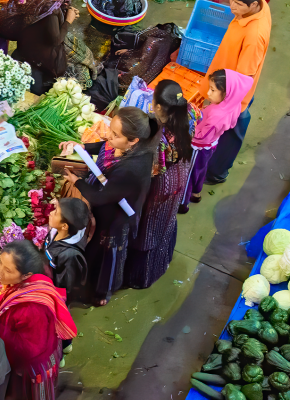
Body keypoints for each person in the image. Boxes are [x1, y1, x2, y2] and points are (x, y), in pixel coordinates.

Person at [59, 107, 159, 306]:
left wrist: (76, 181)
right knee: (94, 248)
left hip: (115, 217)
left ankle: (101, 292)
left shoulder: (131, 168)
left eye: (115, 135)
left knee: (105, 254)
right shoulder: (125, 146)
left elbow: (98, 198)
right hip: (108, 201)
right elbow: (104, 146)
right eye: (110, 130)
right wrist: (81, 147)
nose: (109, 137)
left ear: (133, 140)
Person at [123, 80, 194, 289]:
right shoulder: (189, 112)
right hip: (180, 172)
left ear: (159, 107)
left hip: (162, 184)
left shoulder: (158, 138)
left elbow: (151, 170)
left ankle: (142, 276)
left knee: (149, 225)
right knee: (167, 218)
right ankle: (163, 260)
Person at [0, 240, 77, 400]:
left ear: (26, 275)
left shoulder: (31, 309)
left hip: (31, 369)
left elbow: (29, 350)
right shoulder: (29, 281)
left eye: (8, 270)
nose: (0, 272)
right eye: (0, 262)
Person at [198, 0, 271, 184]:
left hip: (232, 97)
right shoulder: (258, 9)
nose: (231, 6)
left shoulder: (254, 37)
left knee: (231, 128)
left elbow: (242, 81)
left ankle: (216, 174)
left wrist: (224, 106)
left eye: (238, 3)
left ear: (254, 4)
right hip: (226, 82)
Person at [184, 69, 253, 210]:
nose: (208, 93)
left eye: (213, 90)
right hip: (210, 144)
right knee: (200, 170)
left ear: (226, 93)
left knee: (189, 173)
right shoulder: (232, 105)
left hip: (199, 147)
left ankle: (183, 204)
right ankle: (196, 193)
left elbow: (201, 136)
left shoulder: (217, 116)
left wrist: (187, 128)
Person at [0, 0, 80, 95]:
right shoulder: (49, 11)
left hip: (25, 49)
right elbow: (56, 40)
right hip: (40, 60)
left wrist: (66, 11)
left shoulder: (39, 5)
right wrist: (68, 21)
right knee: (38, 89)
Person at [44, 197, 90, 304]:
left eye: (56, 212)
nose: (51, 213)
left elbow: (67, 286)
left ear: (64, 226)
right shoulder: (56, 231)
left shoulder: (69, 255)